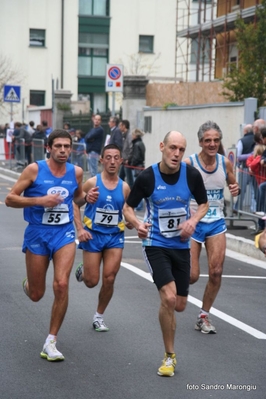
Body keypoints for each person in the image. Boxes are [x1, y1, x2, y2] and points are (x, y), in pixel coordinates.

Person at [123, 131, 209, 377]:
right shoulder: (148, 177)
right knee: (169, 299)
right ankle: (169, 356)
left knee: (180, 305)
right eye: (172, 148)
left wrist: (193, 220)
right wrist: (138, 224)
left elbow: (203, 204)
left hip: (181, 245)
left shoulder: (191, 175)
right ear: (162, 147)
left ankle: (169, 334)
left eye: (181, 149)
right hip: (155, 243)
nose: (177, 154)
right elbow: (128, 207)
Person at [5, 129, 89, 361]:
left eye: (67, 146)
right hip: (37, 234)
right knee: (36, 294)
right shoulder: (34, 170)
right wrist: (39, 200)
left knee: (61, 284)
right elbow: (10, 199)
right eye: (58, 146)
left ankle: (51, 341)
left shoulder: (76, 172)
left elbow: (77, 198)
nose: (63, 150)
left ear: (71, 149)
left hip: (64, 233)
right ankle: (31, 284)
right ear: (48, 148)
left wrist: (87, 199)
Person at [184, 120, 240, 334]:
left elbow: (234, 185)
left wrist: (236, 189)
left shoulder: (224, 163)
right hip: (194, 221)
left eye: (216, 140)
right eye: (207, 140)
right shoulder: (190, 164)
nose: (212, 144)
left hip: (216, 222)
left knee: (216, 272)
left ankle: (203, 316)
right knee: (192, 276)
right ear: (200, 142)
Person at [74, 144, 132, 332]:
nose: (112, 161)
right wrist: (80, 228)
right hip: (93, 235)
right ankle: (84, 271)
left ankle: (99, 316)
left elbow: (128, 212)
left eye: (116, 157)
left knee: (109, 278)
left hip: (115, 237)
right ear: (101, 160)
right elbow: (75, 203)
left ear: (121, 161)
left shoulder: (125, 187)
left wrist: (132, 222)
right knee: (92, 282)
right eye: (108, 157)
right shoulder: (92, 182)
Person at [234, 124, 255, 213]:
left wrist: (238, 164)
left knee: (241, 190)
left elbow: (237, 155)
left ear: (245, 131)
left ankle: (237, 208)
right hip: (255, 169)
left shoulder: (242, 141)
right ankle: (254, 210)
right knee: (254, 191)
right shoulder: (257, 140)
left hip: (244, 169)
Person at [128, 128, 146, 211]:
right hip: (140, 166)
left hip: (136, 167)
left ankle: (138, 206)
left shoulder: (136, 144)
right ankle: (140, 205)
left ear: (135, 135)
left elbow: (136, 156)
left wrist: (132, 163)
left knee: (136, 186)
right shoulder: (141, 143)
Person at [119, 119, 134, 188]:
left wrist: (128, 159)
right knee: (120, 178)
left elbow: (131, 147)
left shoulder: (129, 135)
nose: (119, 127)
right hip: (124, 161)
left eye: (120, 126)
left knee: (129, 180)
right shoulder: (124, 135)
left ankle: (131, 195)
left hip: (127, 161)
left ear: (124, 126)